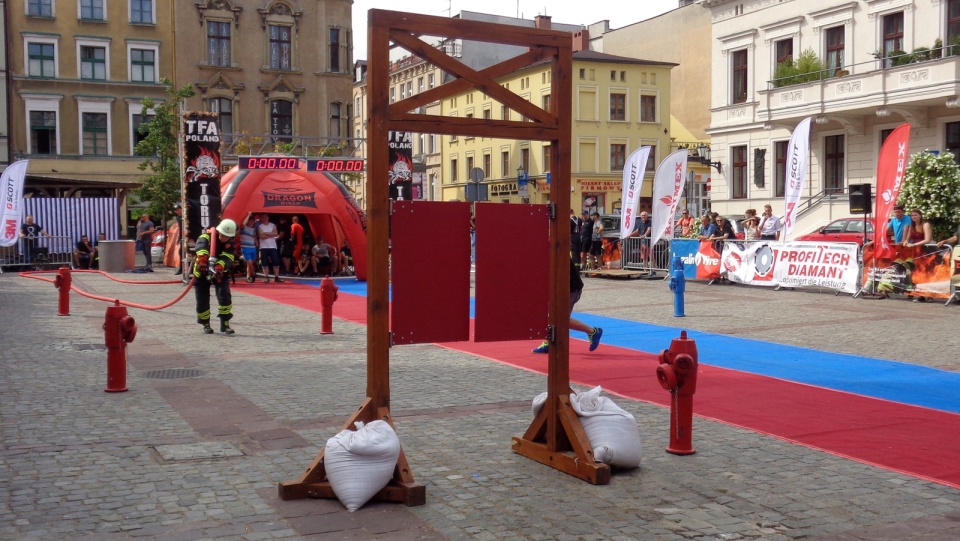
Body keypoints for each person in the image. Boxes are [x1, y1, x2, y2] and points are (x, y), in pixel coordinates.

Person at [532, 258, 602, 354]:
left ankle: (592, 331)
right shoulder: (549, 249)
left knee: (557, 318)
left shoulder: (552, 249)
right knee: (558, 318)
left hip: (569, 288)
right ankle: (592, 331)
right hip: (568, 287)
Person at [193, 219, 238, 334]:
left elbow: (227, 258)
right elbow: (200, 249)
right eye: (222, 235)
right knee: (202, 299)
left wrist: (220, 268)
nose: (224, 238)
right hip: (202, 271)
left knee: (225, 296)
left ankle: (225, 324)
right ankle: (205, 324)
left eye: (227, 236)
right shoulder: (206, 237)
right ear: (218, 231)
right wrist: (203, 262)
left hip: (219, 272)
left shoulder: (229, 243)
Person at [257, 214, 283, 283]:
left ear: (268, 217)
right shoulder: (260, 226)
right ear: (261, 218)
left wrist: (265, 233)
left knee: (276, 261)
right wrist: (270, 234)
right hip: (263, 247)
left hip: (272, 246)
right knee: (264, 262)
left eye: (266, 217)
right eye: (263, 217)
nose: (265, 218)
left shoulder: (272, 225)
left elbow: (275, 233)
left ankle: (276, 277)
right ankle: (266, 276)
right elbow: (261, 236)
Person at [239, 214, 258, 283]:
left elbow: (254, 236)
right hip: (245, 247)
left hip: (252, 247)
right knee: (249, 263)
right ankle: (253, 274)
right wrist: (248, 215)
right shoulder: (243, 227)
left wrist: (256, 242)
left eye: (253, 220)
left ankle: (248, 277)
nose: (252, 222)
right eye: (250, 220)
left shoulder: (254, 229)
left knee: (250, 263)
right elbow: (243, 223)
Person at [173, 204, 184, 275]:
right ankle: (181, 268)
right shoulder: (178, 218)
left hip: (188, 236)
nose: (176, 211)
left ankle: (184, 268)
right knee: (181, 252)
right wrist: (179, 238)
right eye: (175, 210)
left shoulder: (185, 216)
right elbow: (180, 229)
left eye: (177, 209)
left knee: (185, 252)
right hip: (182, 236)